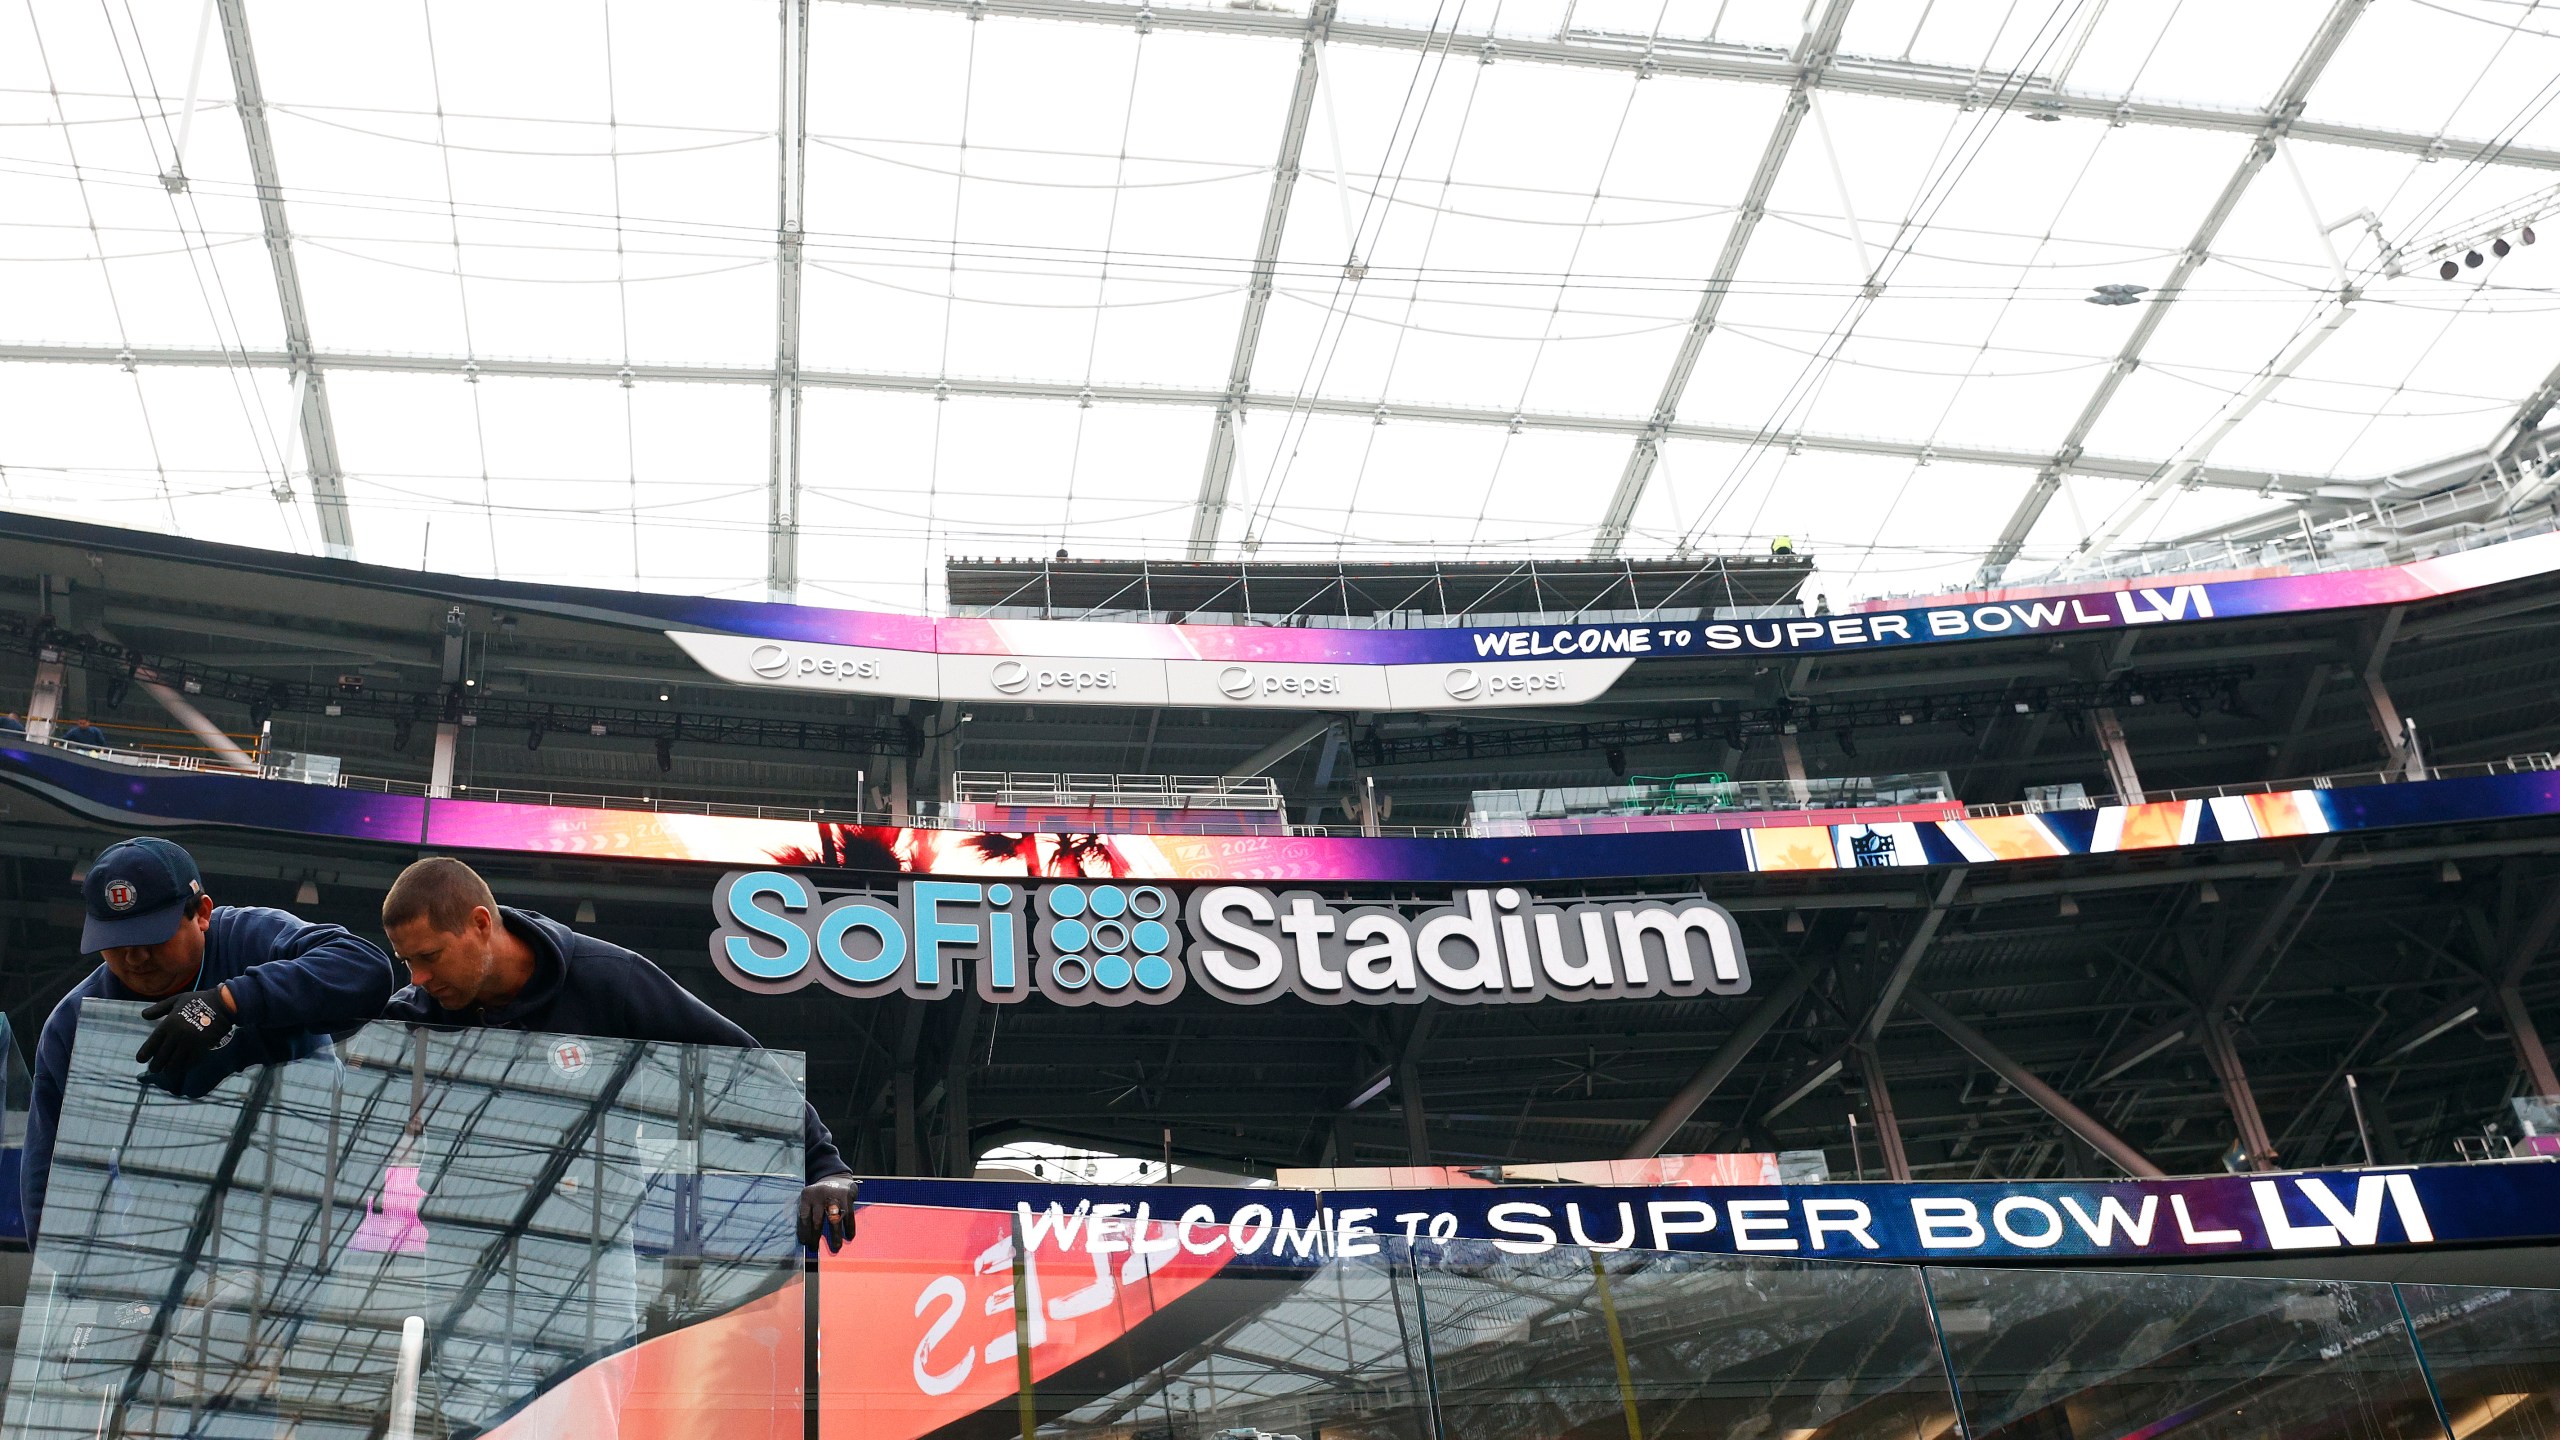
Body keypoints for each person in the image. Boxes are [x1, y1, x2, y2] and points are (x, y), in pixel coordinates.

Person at [376, 857, 860, 1251]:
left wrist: (825, 1167)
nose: (417, 977)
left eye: (430, 956)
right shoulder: (417, 1016)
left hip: (592, 1254)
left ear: (480, 923)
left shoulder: (609, 980)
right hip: (460, 1249)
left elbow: (739, 1067)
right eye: (407, 962)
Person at [24, 836, 403, 1242]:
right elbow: (50, 1174)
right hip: (167, 1227)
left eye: (152, 937)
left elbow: (365, 968)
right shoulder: (74, 1023)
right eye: (115, 944)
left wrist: (229, 1002)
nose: (135, 958)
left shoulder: (251, 937)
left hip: (303, 1206)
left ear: (202, 913)